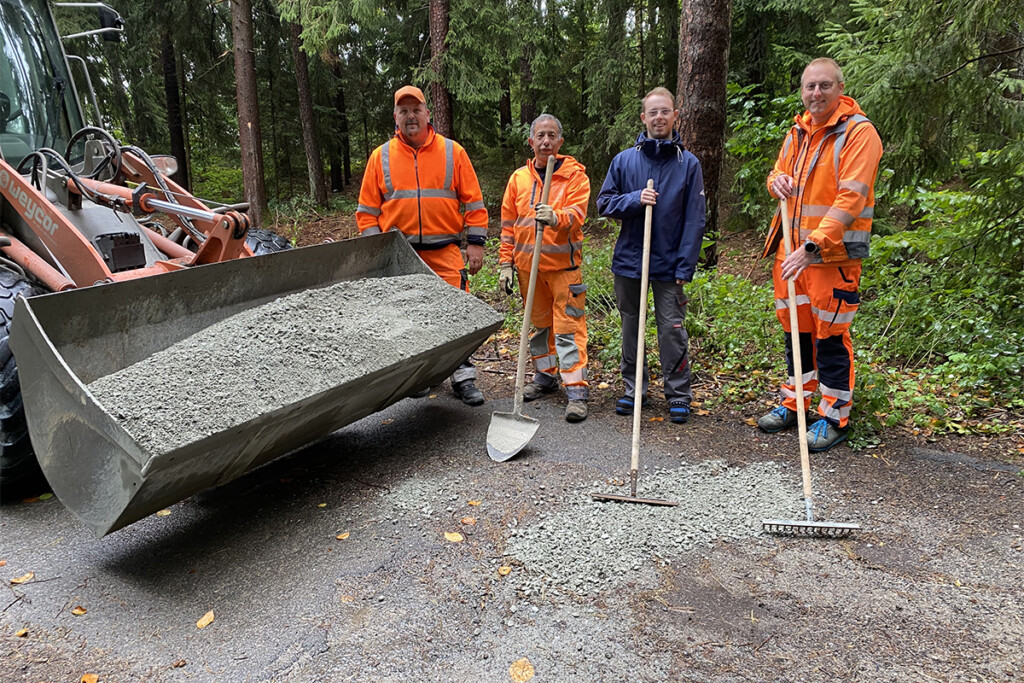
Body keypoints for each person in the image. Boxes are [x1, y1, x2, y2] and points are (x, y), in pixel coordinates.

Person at [756, 57, 883, 451]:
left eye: (824, 85)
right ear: (802, 90)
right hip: (790, 255)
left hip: (831, 258)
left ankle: (833, 416)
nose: (816, 93)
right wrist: (776, 181)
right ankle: (796, 403)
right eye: (810, 86)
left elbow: (852, 197)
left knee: (830, 337)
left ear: (840, 88)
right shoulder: (797, 132)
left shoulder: (859, 133)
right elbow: (777, 173)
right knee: (796, 332)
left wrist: (815, 246)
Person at [356, 85, 489, 406]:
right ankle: (418, 377)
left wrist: (476, 244)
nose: (410, 116)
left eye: (416, 109)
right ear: (395, 117)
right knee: (407, 318)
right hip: (400, 256)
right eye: (404, 111)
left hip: (444, 251)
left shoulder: (452, 152)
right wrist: (379, 256)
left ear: (428, 114)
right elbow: (367, 212)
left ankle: (462, 375)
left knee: (456, 315)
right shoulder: (381, 157)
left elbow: (474, 203)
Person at [596, 87, 706, 424]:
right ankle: (634, 389)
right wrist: (634, 199)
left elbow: (695, 218)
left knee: (671, 329)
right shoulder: (624, 161)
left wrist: (685, 265)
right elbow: (604, 203)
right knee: (632, 325)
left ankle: (678, 394)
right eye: (652, 112)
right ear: (643, 117)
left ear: (675, 115)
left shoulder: (688, 164)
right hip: (630, 261)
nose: (659, 117)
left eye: (665, 111)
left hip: (670, 264)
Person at [499, 114, 591, 423]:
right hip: (529, 269)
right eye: (540, 136)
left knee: (568, 328)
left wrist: (556, 217)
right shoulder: (519, 180)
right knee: (539, 326)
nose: (546, 141)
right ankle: (545, 375)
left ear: (560, 142)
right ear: (531, 141)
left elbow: (578, 214)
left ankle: (576, 390)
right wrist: (505, 264)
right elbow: (509, 226)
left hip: (563, 268)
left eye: (552, 136)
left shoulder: (575, 176)